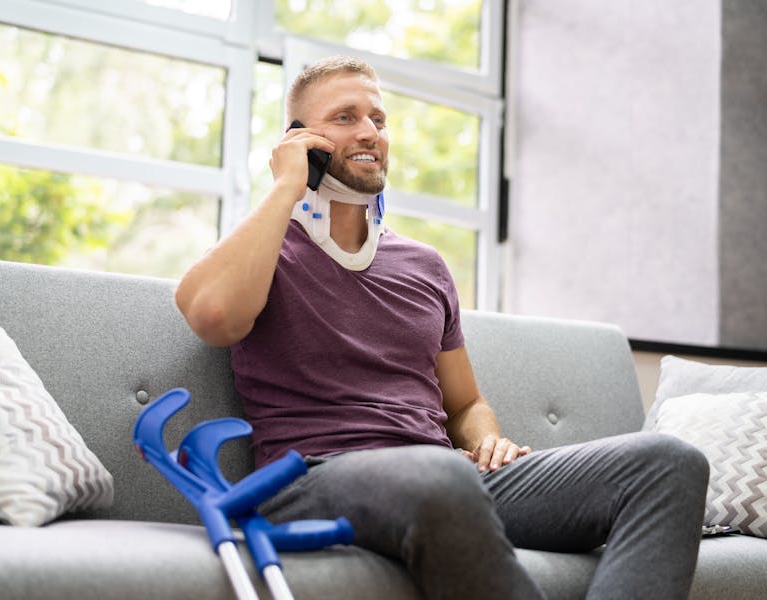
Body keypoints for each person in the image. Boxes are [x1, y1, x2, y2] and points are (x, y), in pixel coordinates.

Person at [175, 55, 710, 599]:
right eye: (344, 117)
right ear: (298, 138)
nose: (369, 132)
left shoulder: (424, 266)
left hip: (447, 479)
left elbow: (464, 406)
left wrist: (487, 442)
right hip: (314, 477)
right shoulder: (265, 252)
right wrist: (286, 187)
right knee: (439, 476)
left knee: (669, 464)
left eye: (378, 120)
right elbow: (214, 316)